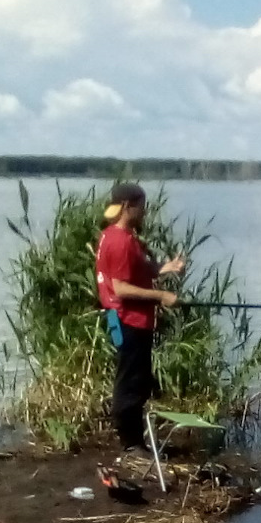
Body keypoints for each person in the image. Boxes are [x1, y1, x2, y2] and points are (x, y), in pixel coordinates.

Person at [94, 182, 187, 451]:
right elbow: (121, 289)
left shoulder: (117, 235)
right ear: (127, 207)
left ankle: (136, 441)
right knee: (130, 384)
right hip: (128, 320)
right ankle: (131, 445)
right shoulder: (120, 242)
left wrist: (166, 268)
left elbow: (137, 271)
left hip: (132, 321)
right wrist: (161, 297)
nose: (145, 212)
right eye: (142, 207)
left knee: (139, 381)